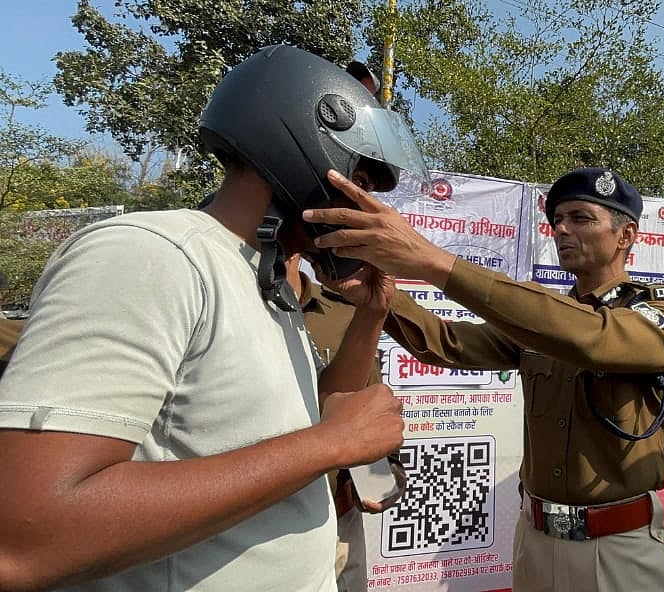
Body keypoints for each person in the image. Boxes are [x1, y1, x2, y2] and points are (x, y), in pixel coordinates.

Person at [0, 45, 416, 591]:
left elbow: (294, 431)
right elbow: (27, 539)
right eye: (359, 180)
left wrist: (370, 316)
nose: (369, 206)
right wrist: (333, 444)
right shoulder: (153, 255)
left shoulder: (263, 281)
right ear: (305, 153)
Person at [304, 166, 664, 592]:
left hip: (619, 547)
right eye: (557, 220)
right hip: (537, 538)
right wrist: (384, 299)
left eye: (581, 218)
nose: (562, 229)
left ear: (626, 236)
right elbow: (449, 342)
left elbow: (593, 337)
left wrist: (435, 262)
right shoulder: (540, 321)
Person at [283, 253, 406, 592]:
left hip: (339, 521)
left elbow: (367, 403)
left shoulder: (343, 311)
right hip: (259, 525)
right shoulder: (231, 311)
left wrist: (384, 473)